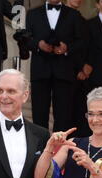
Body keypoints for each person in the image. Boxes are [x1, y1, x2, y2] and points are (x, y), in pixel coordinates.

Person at [25, 0, 84, 132]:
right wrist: (38, 45)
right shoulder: (32, 14)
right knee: (39, 115)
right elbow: (26, 38)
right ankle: (40, 149)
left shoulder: (74, 14)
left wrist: (67, 48)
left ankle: (61, 149)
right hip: (40, 70)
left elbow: (81, 41)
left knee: (63, 116)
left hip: (64, 71)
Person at [66, 0, 92, 138]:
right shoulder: (59, 18)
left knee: (81, 113)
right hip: (63, 73)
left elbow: (86, 46)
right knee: (65, 115)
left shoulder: (83, 21)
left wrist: (85, 67)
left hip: (81, 77)